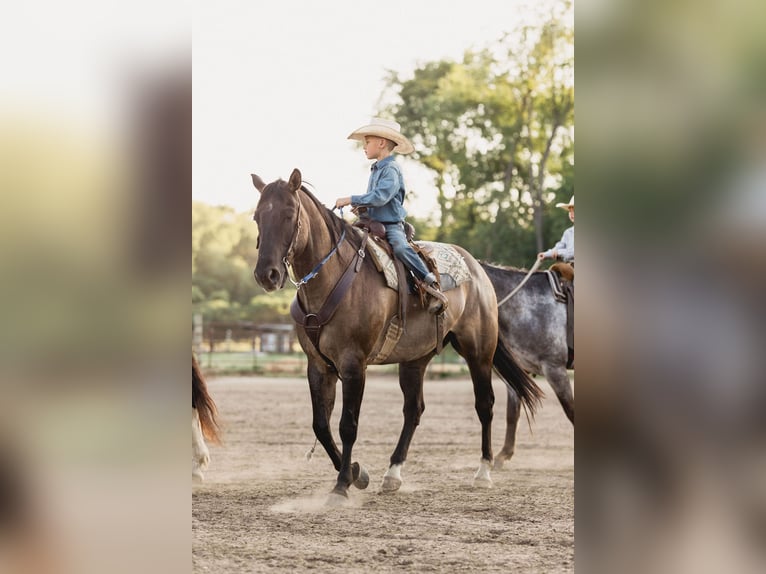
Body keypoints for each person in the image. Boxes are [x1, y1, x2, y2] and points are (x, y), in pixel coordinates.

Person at [335, 118, 448, 314]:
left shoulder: (391, 169)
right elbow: (375, 201)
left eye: (367, 142)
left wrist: (351, 199)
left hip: (391, 225)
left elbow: (381, 196)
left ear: (381, 143)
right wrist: (362, 209)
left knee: (401, 248)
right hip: (371, 222)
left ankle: (430, 283)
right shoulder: (377, 169)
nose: (364, 146)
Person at [538, 196, 574, 264]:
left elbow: (573, 253)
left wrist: (559, 253)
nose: (571, 214)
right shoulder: (568, 232)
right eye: (570, 211)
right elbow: (559, 246)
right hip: (570, 267)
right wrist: (546, 254)